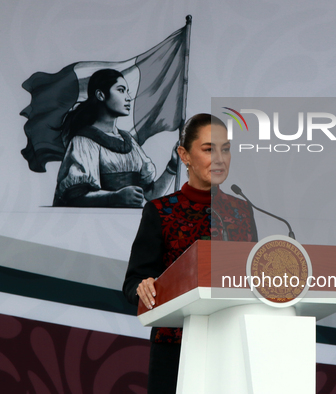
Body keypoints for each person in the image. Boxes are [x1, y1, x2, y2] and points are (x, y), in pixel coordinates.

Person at [122, 113, 258, 393]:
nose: (220, 158)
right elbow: (133, 281)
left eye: (226, 149)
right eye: (209, 149)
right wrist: (143, 287)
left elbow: (252, 278)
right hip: (175, 348)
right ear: (184, 155)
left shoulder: (242, 210)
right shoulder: (160, 211)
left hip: (232, 344)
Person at [53, 68, 178, 207]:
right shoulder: (83, 141)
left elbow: (150, 195)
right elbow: (74, 198)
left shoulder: (129, 141)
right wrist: (114, 197)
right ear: (101, 95)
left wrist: (173, 166)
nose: (128, 97)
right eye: (121, 90)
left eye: (127, 91)